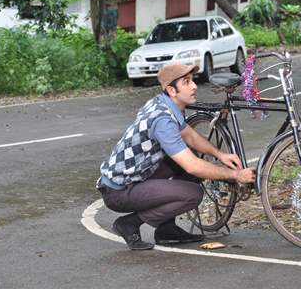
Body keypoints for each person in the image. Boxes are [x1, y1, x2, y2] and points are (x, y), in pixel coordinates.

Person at [97, 64, 256, 250]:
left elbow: (188, 134)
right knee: (192, 194)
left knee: (184, 158)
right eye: (186, 82)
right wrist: (236, 175)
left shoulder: (165, 103)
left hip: (135, 178)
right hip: (119, 192)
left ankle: (166, 230)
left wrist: (220, 154)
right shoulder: (163, 120)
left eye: (193, 80)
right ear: (172, 90)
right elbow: (192, 166)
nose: (194, 86)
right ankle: (130, 223)